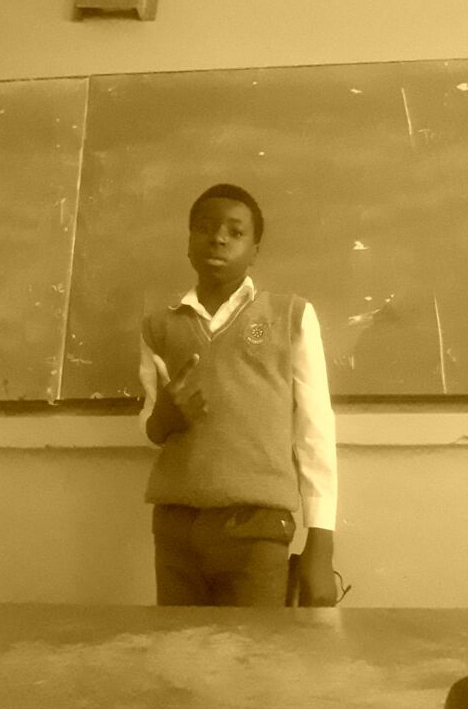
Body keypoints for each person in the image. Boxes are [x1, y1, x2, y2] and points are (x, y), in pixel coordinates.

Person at [138, 183, 337, 606]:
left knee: (253, 646)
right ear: (188, 243)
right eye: (205, 228)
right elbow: (151, 424)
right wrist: (164, 419)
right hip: (175, 528)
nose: (218, 238)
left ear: (255, 250)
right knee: (176, 645)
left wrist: (321, 541)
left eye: (235, 231)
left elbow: (315, 429)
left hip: (257, 528)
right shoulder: (159, 327)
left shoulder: (290, 316)